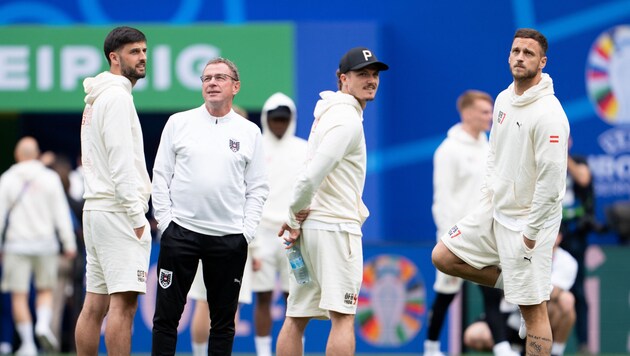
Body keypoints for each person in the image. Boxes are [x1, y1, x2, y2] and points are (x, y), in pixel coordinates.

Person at [432, 28, 570, 356]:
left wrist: (532, 236)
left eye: (529, 53)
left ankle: (527, 294)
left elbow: (551, 187)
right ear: (509, 55)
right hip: (494, 213)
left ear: (542, 62)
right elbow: (494, 156)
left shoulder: (550, 115)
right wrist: (486, 200)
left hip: (528, 226)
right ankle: (516, 285)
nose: (520, 57)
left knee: (535, 312)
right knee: (443, 257)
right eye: (516, 51)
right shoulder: (504, 100)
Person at [151, 57, 269, 356]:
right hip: (181, 234)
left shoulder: (249, 131)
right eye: (206, 78)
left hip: (229, 238)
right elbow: (160, 176)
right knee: (166, 319)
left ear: (235, 86)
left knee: (223, 323)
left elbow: (258, 187)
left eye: (220, 78)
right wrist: (166, 224)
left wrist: (246, 232)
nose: (212, 83)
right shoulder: (179, 122)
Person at [275, 46, 389, 356]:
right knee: (343, 317)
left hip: (313, 227)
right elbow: (310, 176)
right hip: (335, 228)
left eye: (375, 74)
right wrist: (293, 216)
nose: (372, 80)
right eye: (362, 74)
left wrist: (297, 219)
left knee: (297, 316)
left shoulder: (332, 114)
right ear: (343, 79)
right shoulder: (346, 121)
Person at [74, 26, 152, 355]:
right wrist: (137, 216)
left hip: (96, 208)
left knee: (95, 304)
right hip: (118, 210)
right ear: (114, 58)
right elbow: (121, 164)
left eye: (144, 51)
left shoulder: (99, 98)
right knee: (123, 305)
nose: (143, 58)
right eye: (135, 52)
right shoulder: (118, 98)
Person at [426, 90, 517, 356]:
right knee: (445, 294)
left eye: (491, 112)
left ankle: (501, 347)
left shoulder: (489, 146)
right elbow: (441, 199)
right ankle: (431, 347)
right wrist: (447, 238)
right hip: (454, 237)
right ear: (466, 113)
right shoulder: (447, 150)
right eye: (484, 112)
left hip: (484, 233)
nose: (490, 117)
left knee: (491, 292)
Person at [0, 137, 77, 355]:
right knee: (46, 290)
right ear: (36, 154)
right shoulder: (50, 178)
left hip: (17, 245)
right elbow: (61, 214)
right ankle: (42, 324)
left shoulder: (7, 178)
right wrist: (68, 242)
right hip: (46, 245)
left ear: (17, 155)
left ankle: (28, 344)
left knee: (19, 295)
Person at [250, 92, 307, 356]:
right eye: (275, 120)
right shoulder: (255, 146)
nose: (279, 125)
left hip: (293, 234)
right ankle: (263, 352)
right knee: (262, 295)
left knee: (293, 298)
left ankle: (294, 349)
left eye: (284, 120)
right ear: (266, 119)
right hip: (261, 232)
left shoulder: (304, 148)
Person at [464, 232, 577, 356]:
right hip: (509, 314)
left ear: (559, 237)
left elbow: (553, 293)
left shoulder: (566, 261)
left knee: (567, 299)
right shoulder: (517, 249)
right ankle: (512, 350)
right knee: (473, 335)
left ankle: (555, 353)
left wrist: (528, 292)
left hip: (539, 312)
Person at [561, 137, 595, 353]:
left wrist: (562, 156)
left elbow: (583, 178)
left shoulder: (579, 161)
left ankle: (583, 343)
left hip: (575, 236)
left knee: (578, 292)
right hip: (550, 235)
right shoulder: (541, 161)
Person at [188, 256, 253, 356]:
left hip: (203, 245)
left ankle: (200, 353)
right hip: (233, 247)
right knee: (230, 301)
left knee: (204, 300)